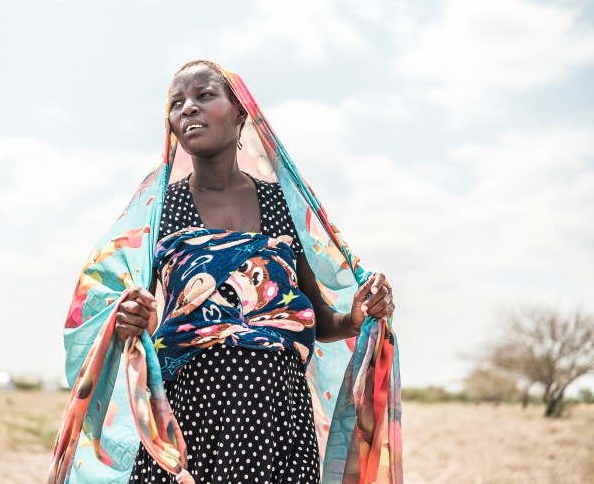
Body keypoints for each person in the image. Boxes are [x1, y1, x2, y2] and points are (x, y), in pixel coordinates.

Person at [49, 61, 402, 484]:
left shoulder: (283, 206)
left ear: (240, 113)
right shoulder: (158, 213)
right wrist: (128, 318)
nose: (189, 109)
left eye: (204, 96)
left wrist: (354, 318)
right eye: (177, 104)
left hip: (279, 416)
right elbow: (121, 305)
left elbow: (310, 313)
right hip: (192, 411)